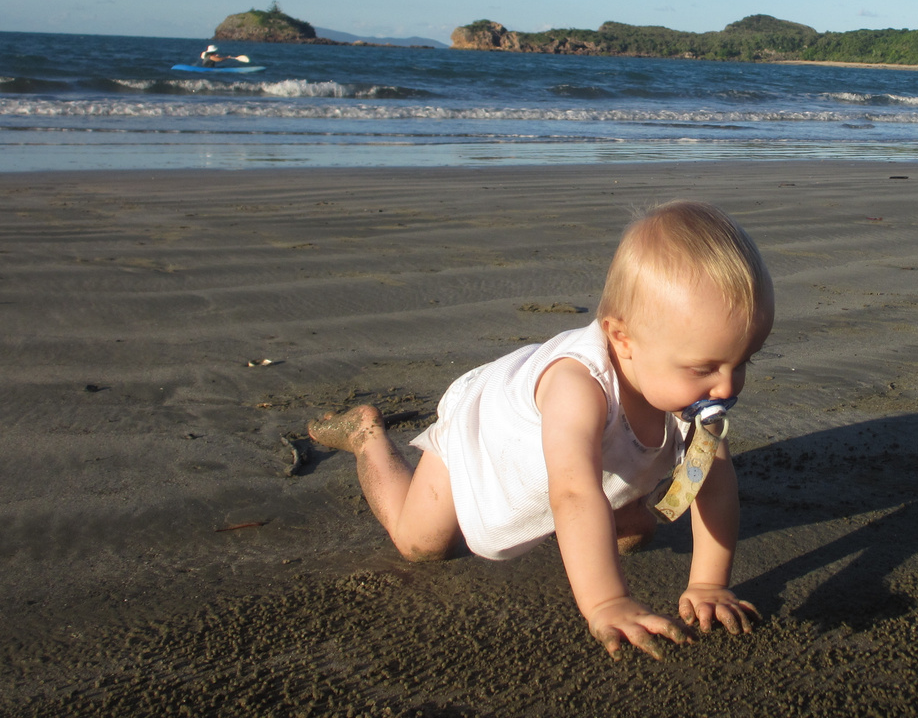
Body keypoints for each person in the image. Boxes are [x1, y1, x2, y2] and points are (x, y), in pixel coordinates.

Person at [308, 200, 773, 659]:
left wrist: (709, 584)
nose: (729, 384)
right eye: (704, 367)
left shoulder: (696, 397)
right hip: (485, 441)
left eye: (743, 361)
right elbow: (573, 493)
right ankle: (365, 437)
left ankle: (620, 504)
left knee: (633, 534)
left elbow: (709, 481)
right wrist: (606, 602)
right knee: (420, 543)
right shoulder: (578, 388)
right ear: (623, 339)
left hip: (587, 455)